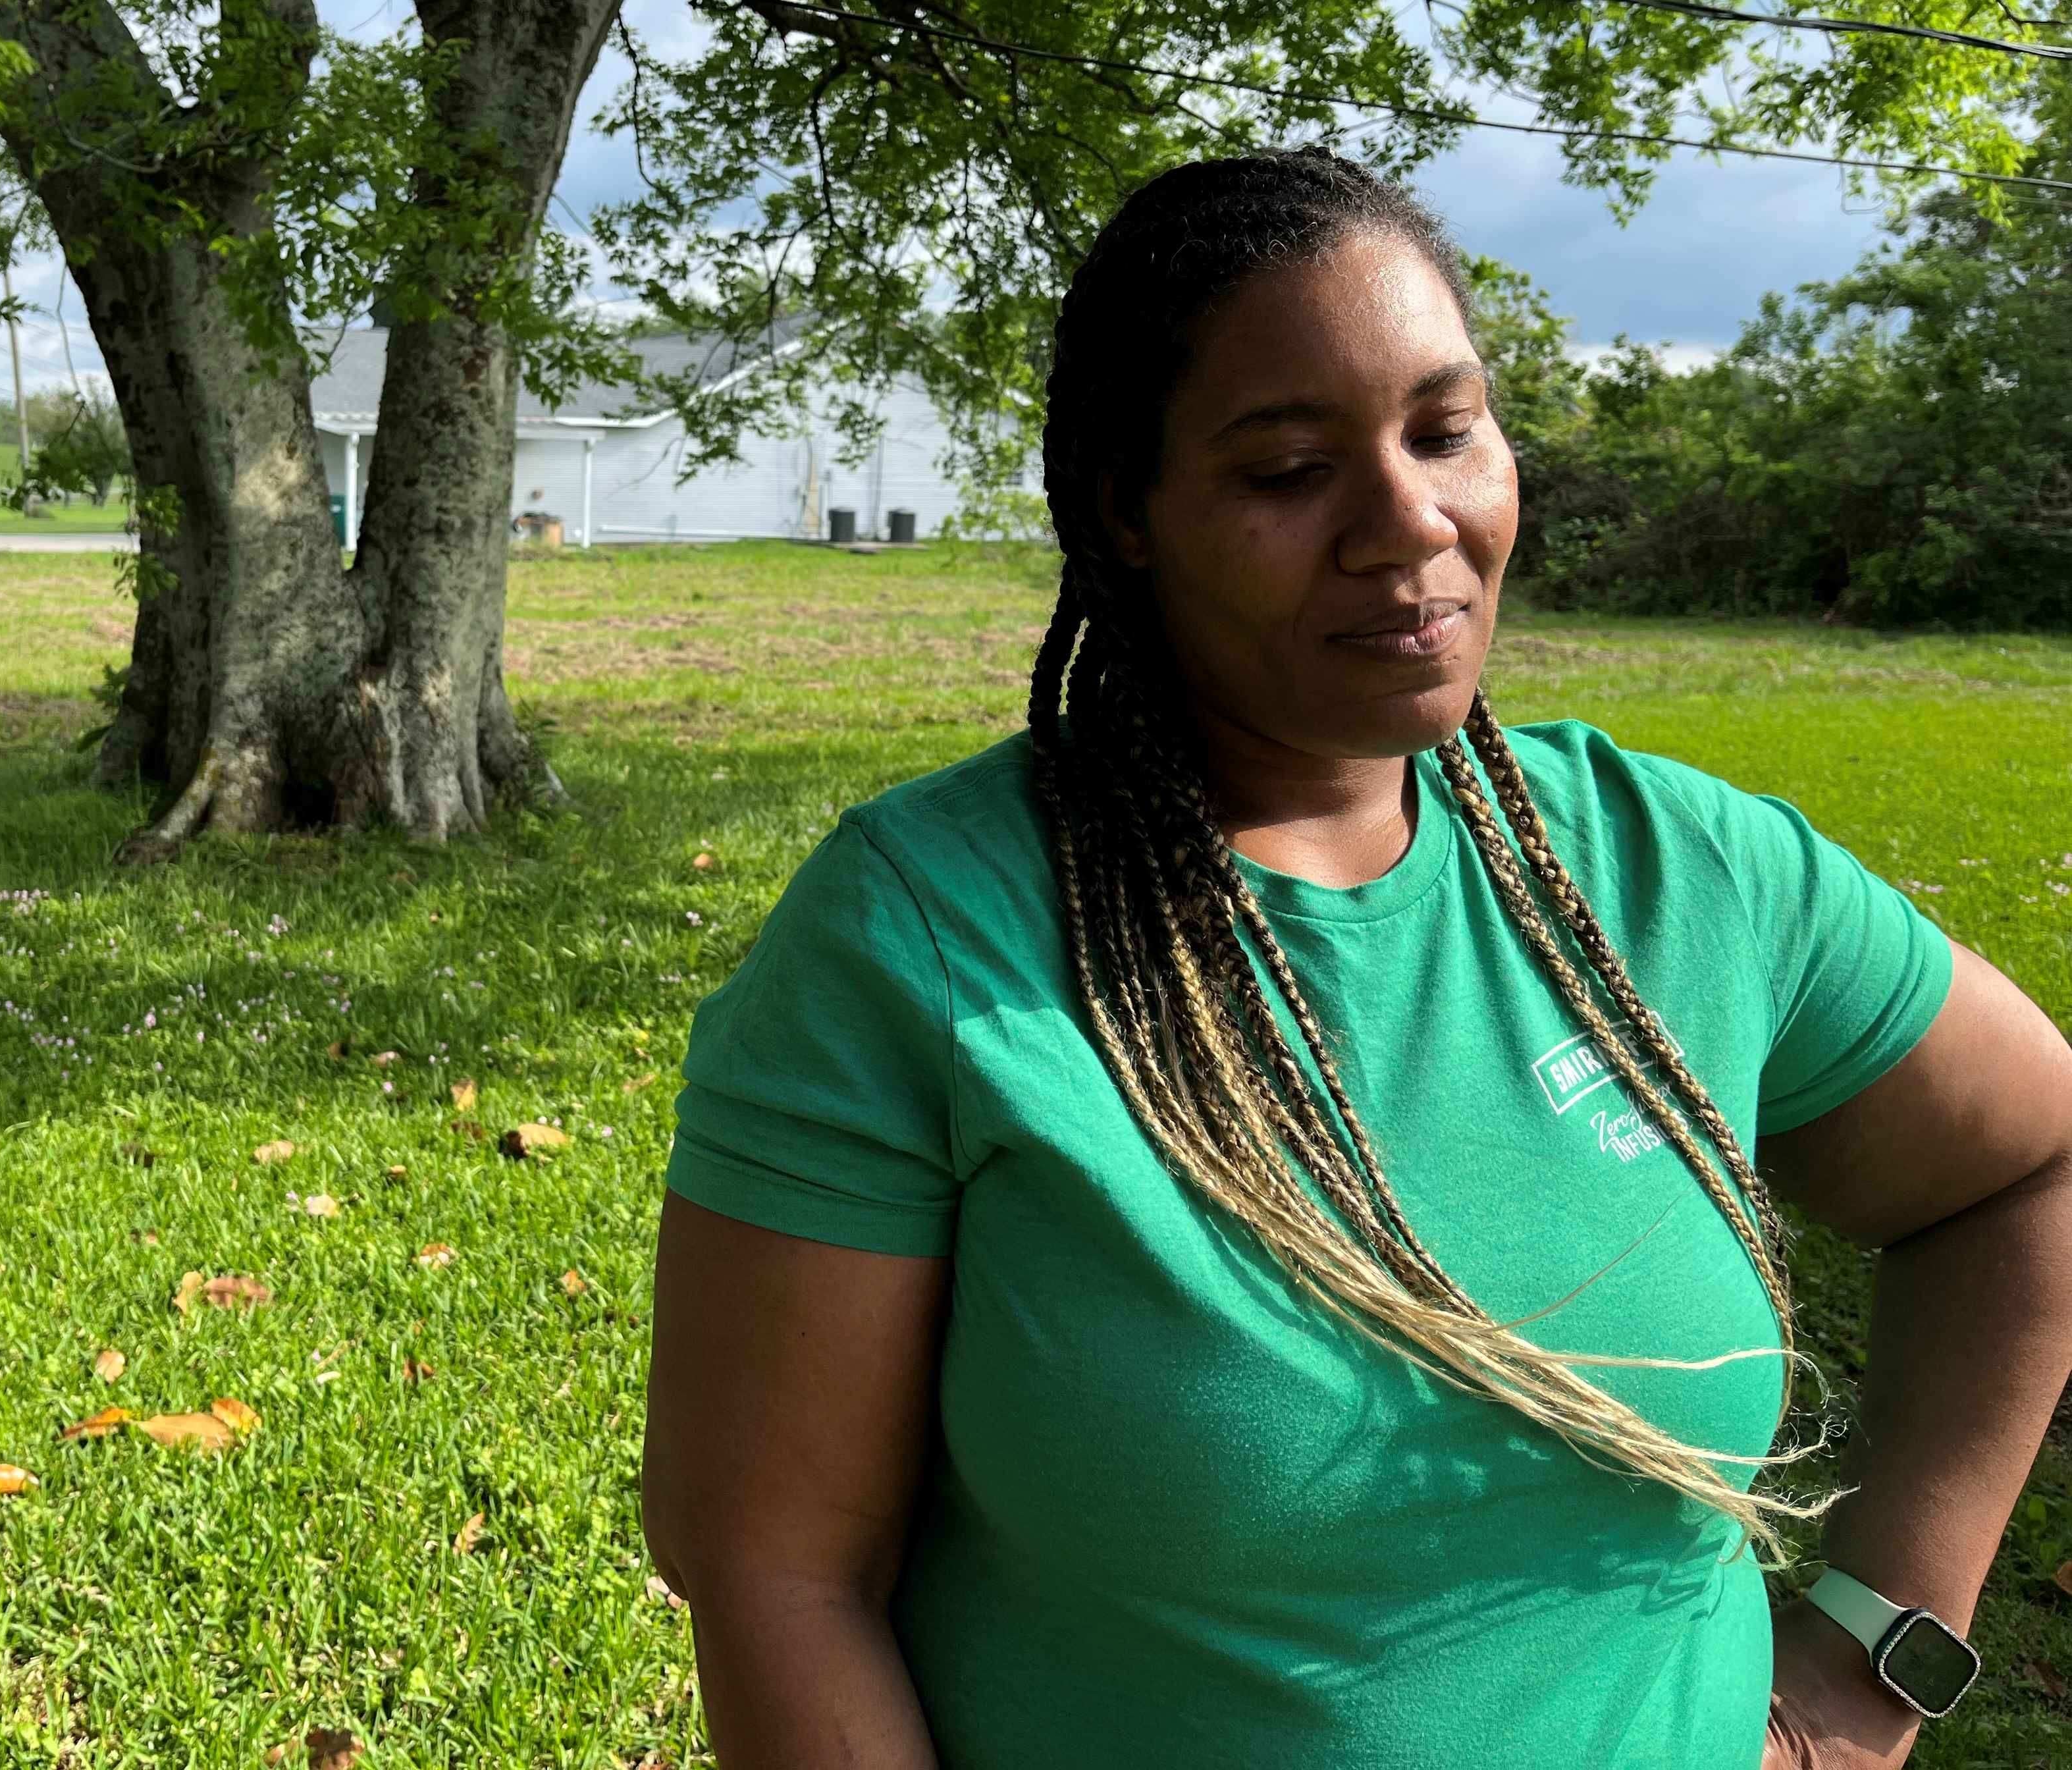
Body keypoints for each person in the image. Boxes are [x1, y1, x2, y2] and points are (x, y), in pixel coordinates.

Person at [639, 148, 2072, 1770]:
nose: (1409, 523)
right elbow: (773, 1571)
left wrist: (1876, 1663)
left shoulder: (1685, 879)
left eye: (1444, 431)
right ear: (1126, 508)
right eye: (1286, 470)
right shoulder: (927, 941)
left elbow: (2029, 1163)